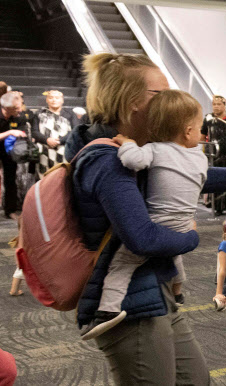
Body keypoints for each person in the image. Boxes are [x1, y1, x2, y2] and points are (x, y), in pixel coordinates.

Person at [65, 53, 226, 385]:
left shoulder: (139, 151)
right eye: (160, 93)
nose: (170, 100)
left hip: (156, 292)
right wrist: (192, 238)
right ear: (132, 103)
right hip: (129, 309)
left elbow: (188, 175)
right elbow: (142, 238)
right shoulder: (110, 160)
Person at [80, 89, 206, 340]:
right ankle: (178, 291)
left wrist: (126, 143)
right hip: (184, 223)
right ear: (188, 132)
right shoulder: (199, 159)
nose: (202, 134)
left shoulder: (156, 150)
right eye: (201, 128)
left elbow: (133, 162)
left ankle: (107, 310)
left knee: (122, 264)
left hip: (158, 224)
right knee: (174, 254)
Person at [31, 90, 79, 179]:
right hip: (44, 151)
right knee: (44, 179)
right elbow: (34, 132)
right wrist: (47, 140)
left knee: (62, 178)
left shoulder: (70, 114)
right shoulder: (39, 113)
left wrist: (60, 140)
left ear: (62, 100)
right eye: (51, 98)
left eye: (57, 98)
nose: (54, 100)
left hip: (64, 149)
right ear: (47, 100)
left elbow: (75, 130)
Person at [0, 91, 31, 220]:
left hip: (8, 151)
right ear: (7, 108)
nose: (20, 110)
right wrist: (10, 132)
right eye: (16, 108)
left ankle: (10, 210)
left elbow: (22, 132)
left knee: (10, 180)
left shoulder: (19, 117)